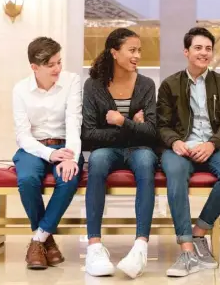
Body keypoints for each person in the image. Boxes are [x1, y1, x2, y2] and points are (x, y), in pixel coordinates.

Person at [157, 27, 220, 277]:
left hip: (212, 147)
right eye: (198, 48)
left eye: (208, 49)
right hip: (180, 148)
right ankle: (185, 250)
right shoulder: (170, 84)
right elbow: (161, 125)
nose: (204, 53)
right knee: (174, 172)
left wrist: (212, 143)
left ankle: (199, 233)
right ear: (186, 52)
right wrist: (174, 142)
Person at [81, 28, 157, 278]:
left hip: (139, 149)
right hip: (107, 150)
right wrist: (131, 126)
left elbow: (152, 132)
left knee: (147, 161)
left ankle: (140, 246)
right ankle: (94, 245)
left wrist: (120, 122)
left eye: (139, 51)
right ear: (114, 52)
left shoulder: (146, 85)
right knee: (98, 162)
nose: (137, 56)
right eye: (132, 50)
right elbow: (89, 134)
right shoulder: (93, 86)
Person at [12, 37, 83, 270]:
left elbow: (74, 122)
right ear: (35, 67)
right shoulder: (20, 89)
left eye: (59, 62)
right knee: (27, 180)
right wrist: (48, 154)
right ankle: (47, 241)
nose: (58, 69)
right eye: (51, 65)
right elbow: (23, 135)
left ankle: (38, 240)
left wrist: (70, 157)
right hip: (34, 147)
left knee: (68, 178)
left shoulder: (72, 81)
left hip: (65, 145)